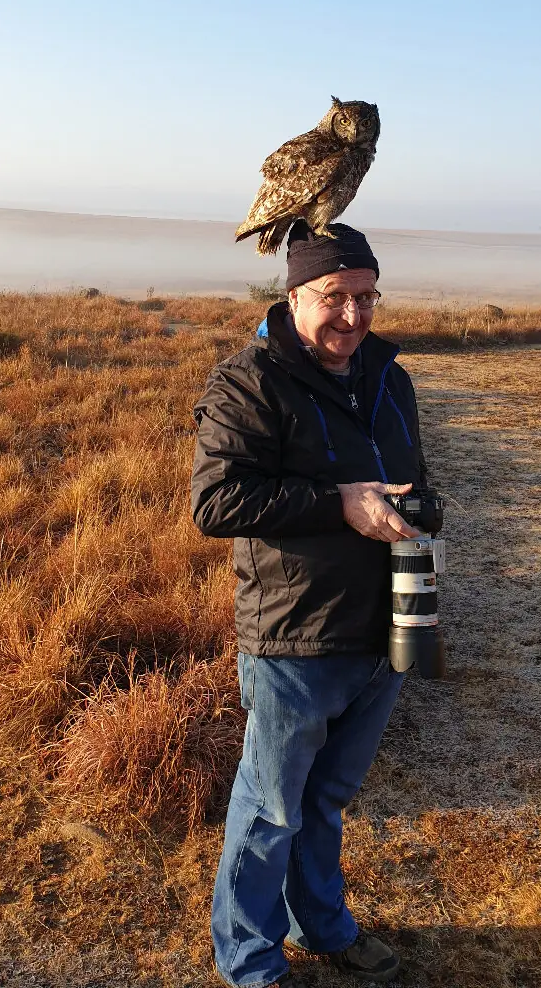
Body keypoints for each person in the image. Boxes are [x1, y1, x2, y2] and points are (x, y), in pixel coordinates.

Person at [191, 220, 427, 988]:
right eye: (335, 298)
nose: (354, 318)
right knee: (270, 810)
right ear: (293, 295)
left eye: (366, 297)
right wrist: (340, 504)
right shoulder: (247, 381)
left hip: (382, 627)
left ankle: (322, 924)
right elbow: (218, 502)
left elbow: (412, 472)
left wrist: (421, 508)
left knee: (327, 799)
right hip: (293, 637)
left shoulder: (390, 377)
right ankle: (250, 961)